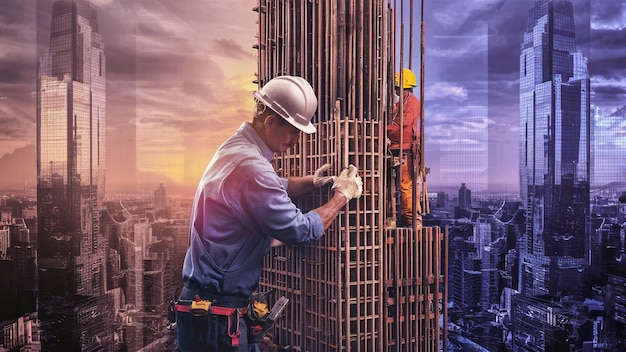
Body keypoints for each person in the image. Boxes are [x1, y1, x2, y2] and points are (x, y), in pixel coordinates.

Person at [176, 75, 363, 351]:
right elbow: (301, 230)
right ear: (271, 121)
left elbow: (276, 186)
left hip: (207, 311)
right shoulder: (252, 168)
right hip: (217, 319)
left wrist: (313, 181)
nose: (297, 140)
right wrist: (342, 195)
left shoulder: (236, 149)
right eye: (293, 131)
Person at [386, 68, 422, 228]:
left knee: (406, 184)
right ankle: (395, 217)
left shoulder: (412, 102)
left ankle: (412, 219)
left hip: (406, 150)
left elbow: (403, 123)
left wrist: (383, 129)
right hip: (395, 148)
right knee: (392, 184)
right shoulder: (400, 103)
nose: (394, 89)